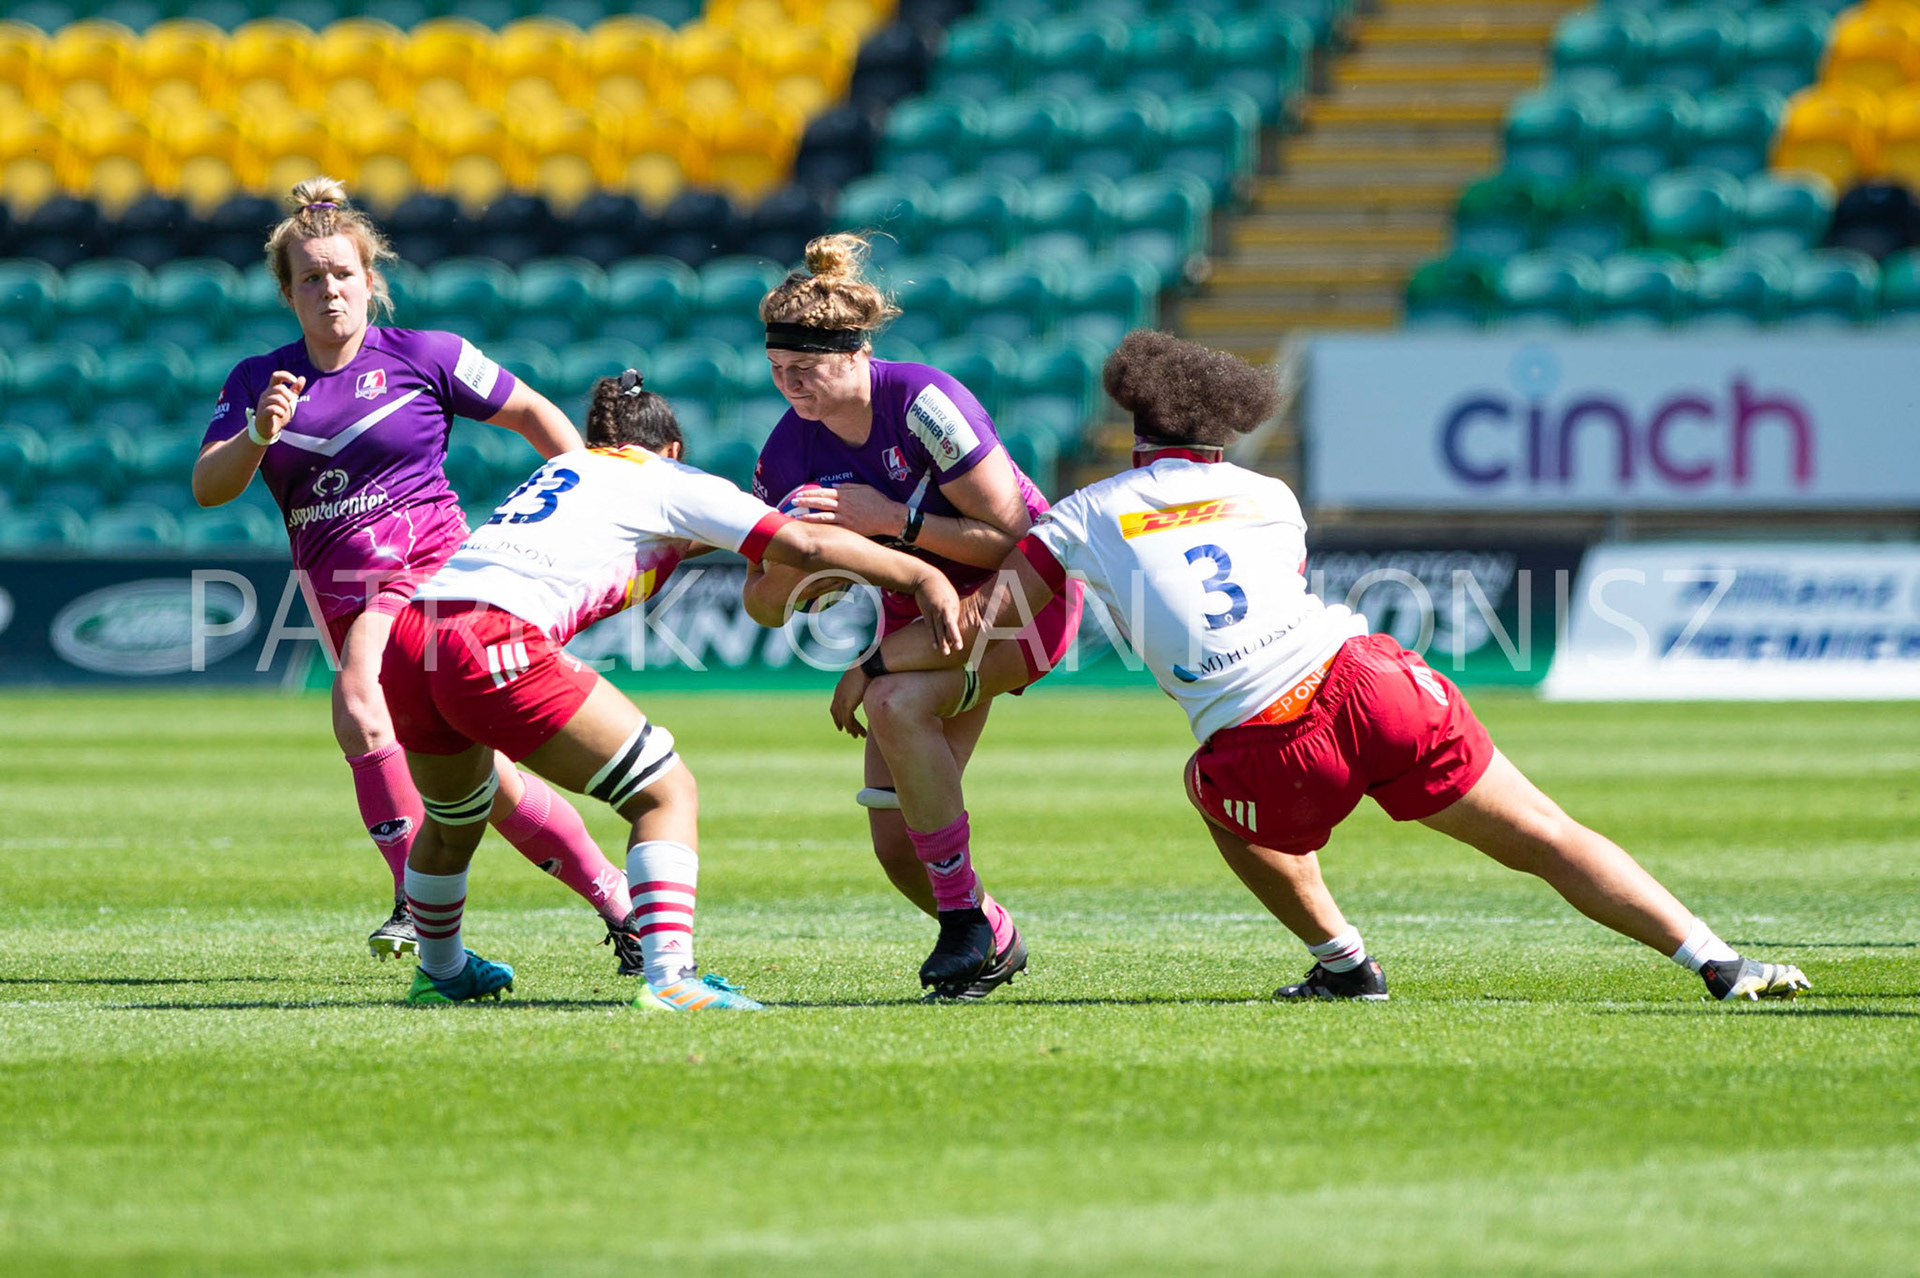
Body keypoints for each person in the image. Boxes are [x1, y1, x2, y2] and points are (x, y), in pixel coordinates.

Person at [832, 330, 1812, 1005]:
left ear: (1138, 439)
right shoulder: (1271, 494)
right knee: (1546, 834)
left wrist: (877, 666)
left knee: (1213, 795)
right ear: (1222, 436)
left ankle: (1342, 961)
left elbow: (979, 627)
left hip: (1261, 738)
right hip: (1370, 679)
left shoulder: (1084, 513)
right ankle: (1716, 958)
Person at [379, 370, 962, 1007]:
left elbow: (663, 538)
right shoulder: (669, 480)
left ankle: (440, 971)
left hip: (413, 637)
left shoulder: (566, 470)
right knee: (664, 791)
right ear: (675, 449)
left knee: (453, 820)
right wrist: (921, 576)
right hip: (494, 635)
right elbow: (804, 544)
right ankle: (671, 979)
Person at [192, 176, 639, 967]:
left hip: (438, 575)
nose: (329, 289)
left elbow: (534, 413)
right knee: (486, 787)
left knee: (358, 697)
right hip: (338, 598)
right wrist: (258, 433)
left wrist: (586, 501)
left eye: (342, 273)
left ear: (370, 280)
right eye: (310, 278)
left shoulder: (427, 355)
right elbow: (208, 487)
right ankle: (622, 905)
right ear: (287, 293)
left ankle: (412, 901)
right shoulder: (260, 381)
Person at [743, 233, 1084, 1000]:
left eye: (805, 369)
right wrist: (807, 569)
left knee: (894, 701)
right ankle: (989, 933)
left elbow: (1015, 539)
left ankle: (963, 922)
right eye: (776, 369)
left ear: (857, 354)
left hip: (1021, 593)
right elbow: (760, 603)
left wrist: (889, 520)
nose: (789, 385)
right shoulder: (788, 449)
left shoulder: (923, 402)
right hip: (918, 611)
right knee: (896, 846)